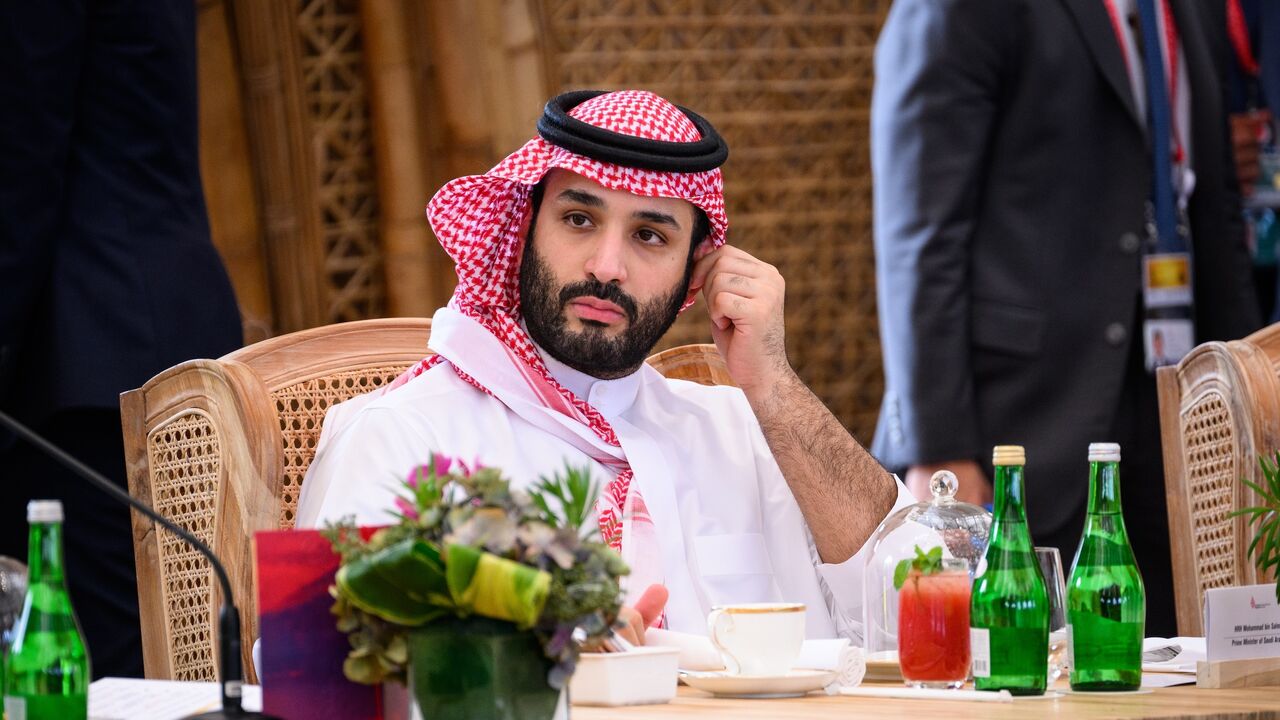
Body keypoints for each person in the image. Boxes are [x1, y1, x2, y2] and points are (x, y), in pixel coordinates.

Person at [296, 90, 910, 643]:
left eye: (649, 235)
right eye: (579, 219)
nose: (606, 265)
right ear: (525, 228)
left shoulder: (745, 430)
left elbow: (923, 600)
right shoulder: (408, 435)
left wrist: (773, 387)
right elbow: (329, 674)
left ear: (696, 270)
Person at [871, 0, 1261, 637]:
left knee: (1171, 672)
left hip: (1177, 425)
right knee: (1015, 680)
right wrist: (942, 452)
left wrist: (1255, 415)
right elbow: (920, 233)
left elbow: (1215, 211)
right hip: (1019, 424)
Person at [0, 2, 243, 677]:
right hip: (151, 328)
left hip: (78, 361)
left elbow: (19, 155)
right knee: (175, 664)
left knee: (119, 678)